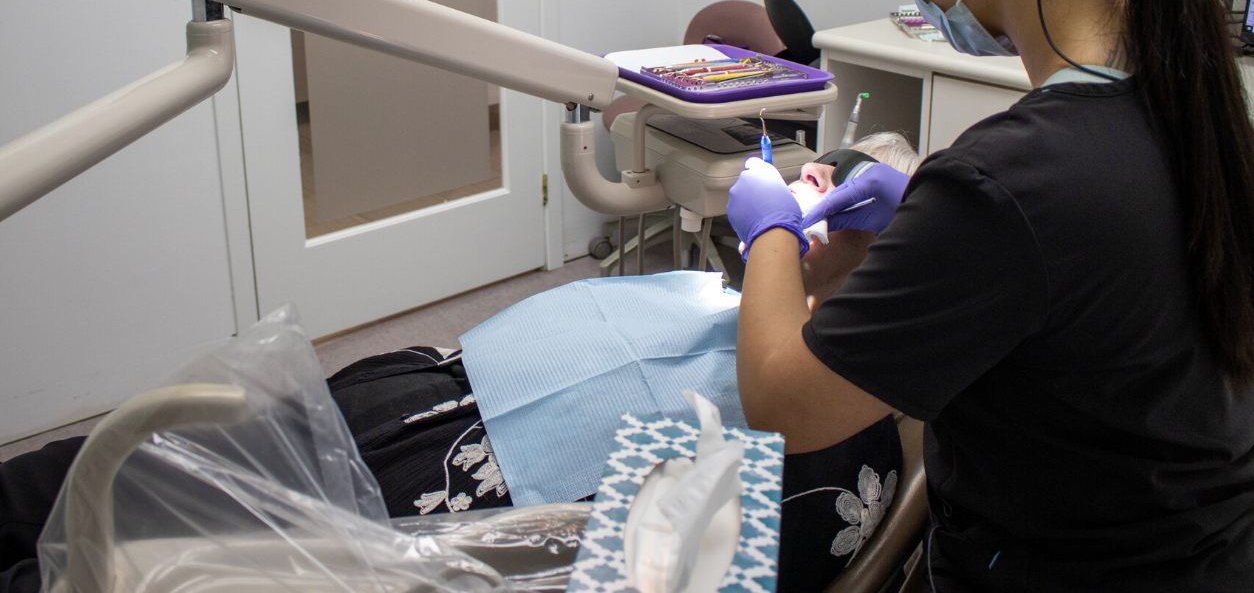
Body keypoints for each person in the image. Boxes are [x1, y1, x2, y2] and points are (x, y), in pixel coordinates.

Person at [726, 0, 1254, 592]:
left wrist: (771, 230)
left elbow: (786, 407)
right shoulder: (1192, 97)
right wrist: (921, 229)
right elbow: (1081, 294)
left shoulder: (1012, 182)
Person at [0, 136, 919, 593]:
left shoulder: (846, 460)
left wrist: (777, 248)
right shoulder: (744, 297)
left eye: (855, 208)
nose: (817, 194)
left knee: (144, 548)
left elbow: (642, 565)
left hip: (433, 513)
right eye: (824, 181)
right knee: (93, 466)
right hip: (408, 394)